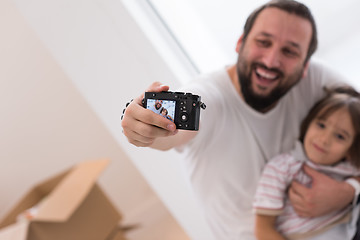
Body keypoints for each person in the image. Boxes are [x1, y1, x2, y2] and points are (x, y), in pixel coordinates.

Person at [121, 1, 359, 239]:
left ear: (305, 65)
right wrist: (147, 130)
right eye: (263, 42)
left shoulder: (316, 79)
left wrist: (350, 189)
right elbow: (172, 134)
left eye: (290, 51)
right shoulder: (210, 97)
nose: (271, 60)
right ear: (240, 43)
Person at [254, 86, 360, 240]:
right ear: (308, 123)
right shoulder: (281, 168)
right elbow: (263, 229)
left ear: (351, 151)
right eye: (321, 125)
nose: (324, 139)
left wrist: (352, 187)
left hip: (348, 229)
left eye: (340, 136)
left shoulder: (349, 167)